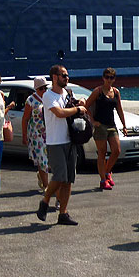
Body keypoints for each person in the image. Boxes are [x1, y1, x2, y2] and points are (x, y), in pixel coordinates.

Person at [35, 64, 88, 226]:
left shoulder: (66, 93)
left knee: (68, 179)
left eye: (67, 75)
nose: (67, 78)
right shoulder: (48, 96)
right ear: (55, 77)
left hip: (69, 140)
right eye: (64, 75)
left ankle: (63, 213)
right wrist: (77, 109)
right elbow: (58, 113)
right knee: (59, 176)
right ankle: (45, 201)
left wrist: (80, 102)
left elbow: (74, 105)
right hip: (55, 142)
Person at [84, 67, 127, 190]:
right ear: (103, 78)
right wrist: (93, 121)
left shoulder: (116, 92)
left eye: (111, 77)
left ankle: (107, 172)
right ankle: (103, 180)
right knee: (102, 153)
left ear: (114, 79)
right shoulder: (98, 91)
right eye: (107, 77)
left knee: (116, 150)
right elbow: (86, 106)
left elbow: (119, 109)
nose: (109, 80)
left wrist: (124, 125)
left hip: (111, 125)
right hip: (100, 126)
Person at [22, 76, 51, 191]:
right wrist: (24, 136)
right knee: (42, 158)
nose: (44, 91)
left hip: (49, 133)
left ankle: (42, 176)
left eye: (45, 88)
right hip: (36, 134)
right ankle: (46, 186)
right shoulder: (31, 100)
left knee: (48, 159)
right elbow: (25, 119)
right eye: (41, 88)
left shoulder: (49, 98)